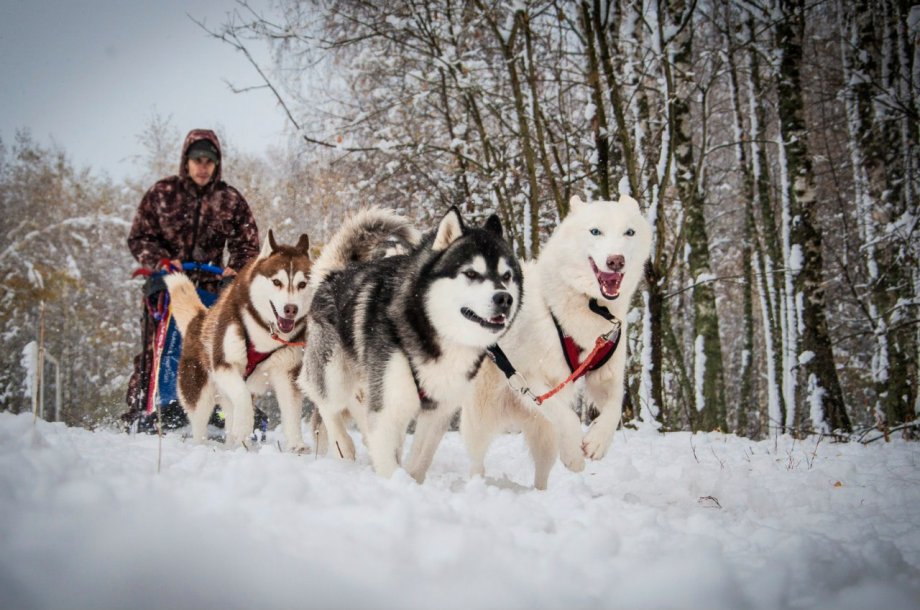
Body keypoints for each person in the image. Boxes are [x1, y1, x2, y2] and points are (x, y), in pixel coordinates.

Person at [122, 128, 260, 429]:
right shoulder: (163, 194)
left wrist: (236, 269)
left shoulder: (230, 200)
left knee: (221, 349)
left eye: (208, 161)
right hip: (170, 287)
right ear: (186, 161)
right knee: (160, 351)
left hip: (213, 288)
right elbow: (140, 237)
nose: (202, 167)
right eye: (197, 160)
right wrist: (161, 261)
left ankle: (223, 410)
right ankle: (155, 408)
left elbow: (247, 243)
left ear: (216, 164)